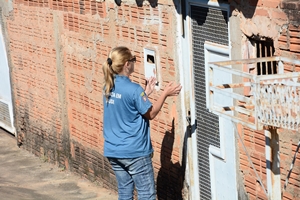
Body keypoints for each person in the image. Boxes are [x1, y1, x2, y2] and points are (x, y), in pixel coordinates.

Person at [102, 46, 182, 200]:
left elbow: (127, 106)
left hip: (113, 151)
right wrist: (165, 93)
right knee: (147, 195)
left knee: (125, 194)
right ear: (126, 64)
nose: (134, 63)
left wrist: (145, 94)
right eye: (133, 60)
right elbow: (151, 113)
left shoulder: (108, 86)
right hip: (135, 152)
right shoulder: (133, 89)